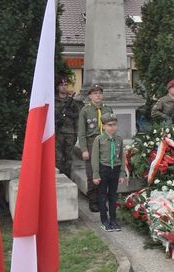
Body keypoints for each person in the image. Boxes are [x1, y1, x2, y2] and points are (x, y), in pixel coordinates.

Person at [78, 84, 113, 212]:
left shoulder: (108, 109)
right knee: (92, 173)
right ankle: (93, 201)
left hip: (106, 143)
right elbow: (82, 132)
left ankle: (103, 199)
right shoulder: (85, 111)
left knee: (105, 172)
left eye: (99, 93)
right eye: (95, 93)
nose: (98, 95)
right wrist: (84, 149)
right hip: (92, 144)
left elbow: (112, 128)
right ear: (90, 96)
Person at [92, 113, 126, 232]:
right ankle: (104, 220)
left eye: (114, 125)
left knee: (113, 195)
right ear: (104, 126)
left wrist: (122, 173)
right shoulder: (99, 139)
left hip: (115, 170)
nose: (112, 127)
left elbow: (122, 157)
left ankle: (113, 219)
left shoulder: (119, 139)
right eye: (109, 125)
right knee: (102, 196)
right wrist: (95, 174)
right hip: (103, 169)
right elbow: (95, 158)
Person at [55, 76, 80, 177]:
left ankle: (68, 178)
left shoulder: (72, 102)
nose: (64, 87)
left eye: (66, 85)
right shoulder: (53, 101)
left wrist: (76, 133)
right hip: (57, 133)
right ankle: (58, 178)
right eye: (61, 85)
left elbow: (77, 118)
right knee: (58, 158)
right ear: (57, 87)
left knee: (69, 158)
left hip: (70, 133)